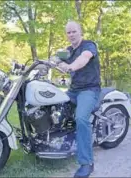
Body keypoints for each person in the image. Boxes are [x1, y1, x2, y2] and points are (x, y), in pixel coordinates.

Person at [58, 21, 101, 178]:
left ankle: (86, 163)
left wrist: (70, 67)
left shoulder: (88, 45)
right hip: (73, 90)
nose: (71, 35)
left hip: (89, 89)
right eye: (68, 32)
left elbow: (84, 58)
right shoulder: (68, 50)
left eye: (73, 31)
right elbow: (55, 59)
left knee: (81, 119)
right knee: (54, 108)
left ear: (80, 31)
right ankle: (62, 142)